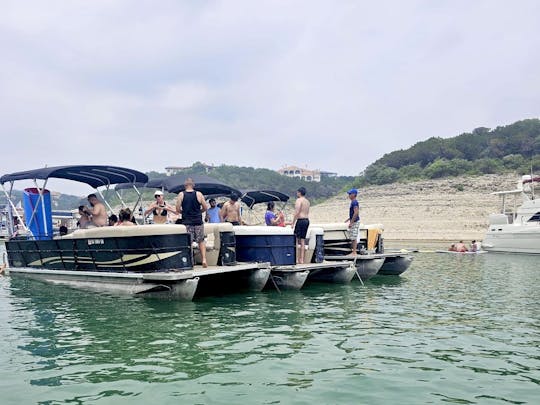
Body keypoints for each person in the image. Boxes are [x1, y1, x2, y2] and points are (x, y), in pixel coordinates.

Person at [176, 178, 208, 267]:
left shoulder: (181, 195)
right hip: (198, 221)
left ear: (185, 185)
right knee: (201, 241)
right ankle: (204, 259)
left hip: (187, 221)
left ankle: (191, 261)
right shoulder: (199, 194)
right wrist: (199, 212)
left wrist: (184, 212)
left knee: (188, 242)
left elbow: (177, 209)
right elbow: (205, 207)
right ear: (193, 185)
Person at [292, 187, 310, 264]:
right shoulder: (307, 201)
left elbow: (297, 212)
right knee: (302, 240)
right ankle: (301, 259)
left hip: (301, 220)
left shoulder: (299, 200)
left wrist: (293, 222)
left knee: (295, 239)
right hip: (306, 220)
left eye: (297, 192)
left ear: (299, 193)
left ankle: (296, 259)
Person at [345, 188, 360, 255]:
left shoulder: (354, 202)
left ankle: (354, 252)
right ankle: (353, 251)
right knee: (352, 236)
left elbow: (356, 212)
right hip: (353, 220)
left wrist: (351, 222)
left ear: (354, 195)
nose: (349, 195)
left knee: (354, 237)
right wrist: (349, 219)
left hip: (355, 221)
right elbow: (354, 213)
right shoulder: (353, 202)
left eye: (350, 194)